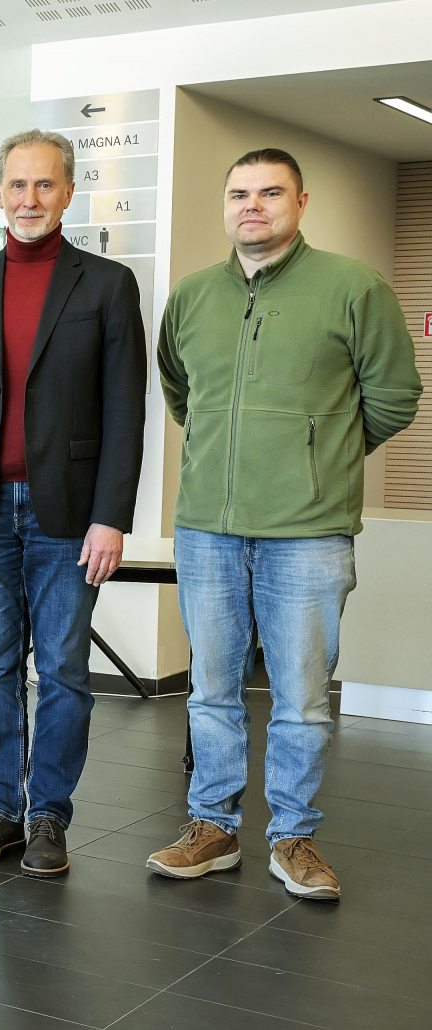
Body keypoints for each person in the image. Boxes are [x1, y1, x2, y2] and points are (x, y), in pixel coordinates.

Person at [147, 149, 420, 900]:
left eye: (270, 193)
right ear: (225, 205)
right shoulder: (192, 296)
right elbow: (181, 392)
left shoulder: (353, 287)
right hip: (207, 528)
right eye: (239, 193)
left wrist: (322, 457)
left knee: (300, 698)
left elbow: (395, 395)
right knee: (211, 690)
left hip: (308, 531)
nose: (253, 206)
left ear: (301, 203)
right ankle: (212, 828)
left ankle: (293, 836)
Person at [0, 129, 146, 876]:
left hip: (70, 514)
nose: (29, 199)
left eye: (45, 185)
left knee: (65, 671)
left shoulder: (107, 285)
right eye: (17, 185)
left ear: (69, 193)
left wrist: (111, 515)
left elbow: (125, 410)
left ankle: (49, 815)